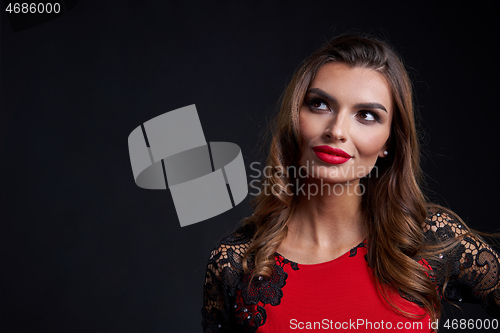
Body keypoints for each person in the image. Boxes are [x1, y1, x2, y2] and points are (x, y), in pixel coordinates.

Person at [201, 33, 500, 332]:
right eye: (320, 105)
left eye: (366, 115)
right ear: (295, 118)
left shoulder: (428, 240)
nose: (337, 130)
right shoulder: (236, 263)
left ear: (389, 143)